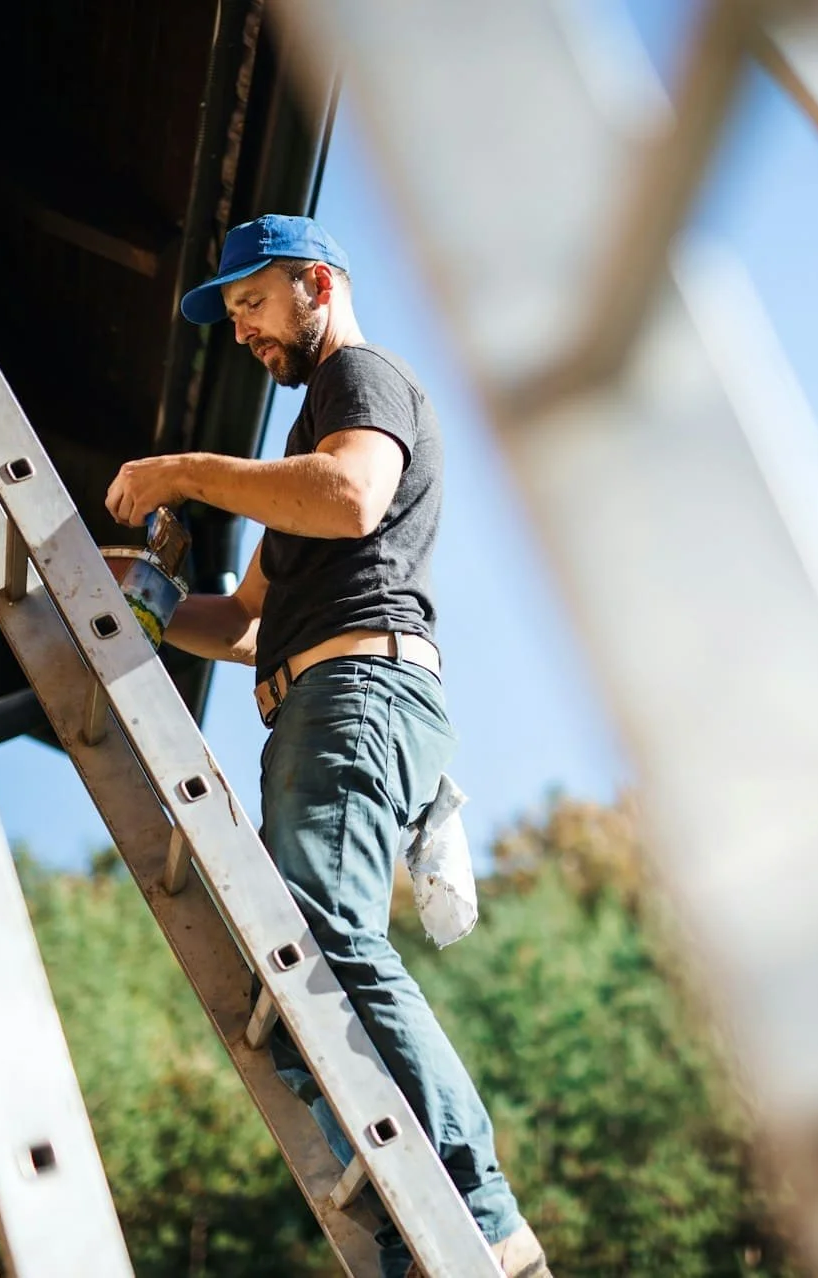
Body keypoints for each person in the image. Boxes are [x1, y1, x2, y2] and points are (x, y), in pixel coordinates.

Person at [105, 214, 549, 1278]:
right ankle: (419, 1226)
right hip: (318, 697)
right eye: (235, 319)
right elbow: (250, 623)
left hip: (359, 691)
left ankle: (482, 1223)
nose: (245, 332)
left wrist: (182, 471)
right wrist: (144, 604)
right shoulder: (306, 456)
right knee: (291, 961)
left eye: (253, 304)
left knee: (321, 935)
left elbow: (353, 499)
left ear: (316, 282)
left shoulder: (360, 384)